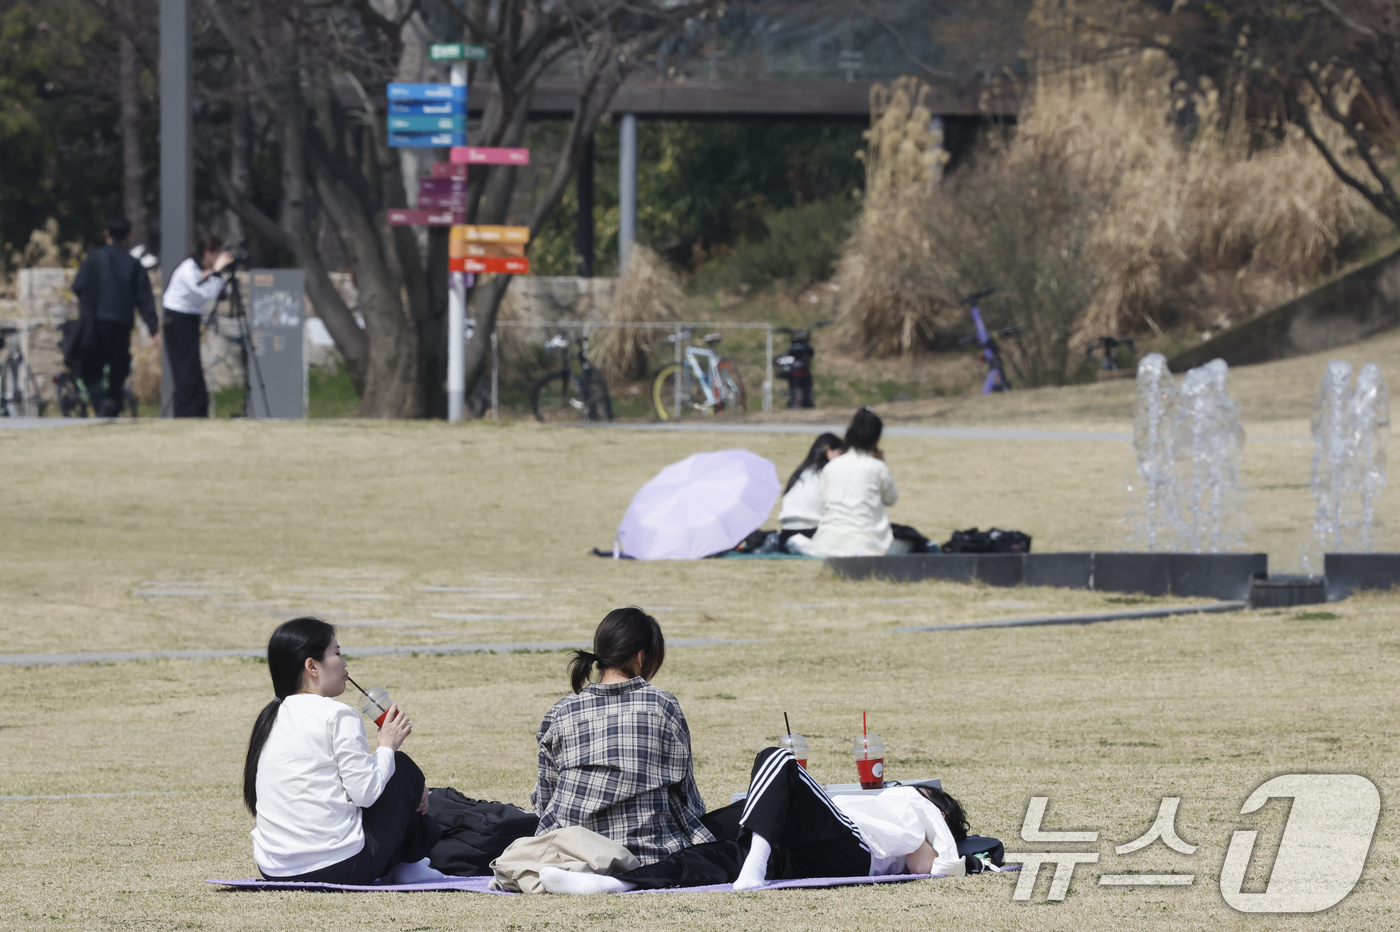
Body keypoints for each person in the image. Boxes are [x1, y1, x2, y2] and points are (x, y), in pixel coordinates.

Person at [539, 747, 971, 894]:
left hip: (852, 848)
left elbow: (931, 867)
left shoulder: (918, 806)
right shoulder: (891, 803)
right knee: (721, 856)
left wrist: (938, 825)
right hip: (807, 852)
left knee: (778, 758)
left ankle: (754, 864)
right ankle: (613, 884)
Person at [245, 617, 444, 885]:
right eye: (336, 653)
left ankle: (409, 865)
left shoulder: (270, 717)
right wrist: (387, 747)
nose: (344, 663)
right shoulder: (338, 714)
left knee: (395, 769)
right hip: (338, 868)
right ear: (312, 666)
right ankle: (410, 866)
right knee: (402, 766)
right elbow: (365, 794)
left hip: (274, 868)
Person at [531, 607, 714, 865]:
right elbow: (687, 795)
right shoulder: (661, 704)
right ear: (641, 657)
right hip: (651, 853)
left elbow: (545, 798)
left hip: (569, 854)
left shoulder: (561, 712)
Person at [69, 217, 160, 417]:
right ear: (128, 236)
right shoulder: (133, 264)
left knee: (90, 369)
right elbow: (144, 298)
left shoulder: (94, 258)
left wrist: (89, 306)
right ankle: (111, 402)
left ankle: (102, 403)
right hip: (122, 323)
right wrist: (153, 327)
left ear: (106, 233)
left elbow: (79, 286)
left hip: (97, 322)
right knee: (118, 369)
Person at [788, 408, 900, 557]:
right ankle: (862, 551)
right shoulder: (877, 467)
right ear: (876, 439)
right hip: (864, 539)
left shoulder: (831, 466)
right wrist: (882, 463)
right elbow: (890, 499)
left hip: (826, 540)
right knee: (907, 542)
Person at [162, 235, 233, 417]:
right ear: (207, 253)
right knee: (185, 369)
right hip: (177, 320)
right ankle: (186, 412)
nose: (220, 257)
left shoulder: (202, 270)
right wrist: (217, 271)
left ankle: (198, 409)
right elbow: (208, 291)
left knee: (193, 367)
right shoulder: (188, 269)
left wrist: (216, 274)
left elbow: (220, 293)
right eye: (218, 253)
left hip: (190, 319)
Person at [776, 433, 845, 547]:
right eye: (840, 453)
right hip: (811, 533)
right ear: (828, 449)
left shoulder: (801, 472)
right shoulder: (827, 473)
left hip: (786, 534)